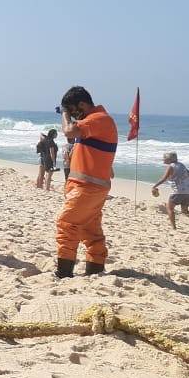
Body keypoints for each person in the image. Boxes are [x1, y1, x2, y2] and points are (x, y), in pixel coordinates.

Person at [56, 86, 117, 277]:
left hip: (87, 188)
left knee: (67, 223)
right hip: (90, 187)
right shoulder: (96, 122)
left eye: (73, 110)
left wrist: (64, 114)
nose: (74, 115)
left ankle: (64, 273)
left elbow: (69, 131)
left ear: (82, 104)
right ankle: (95, 270)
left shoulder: (99, 119)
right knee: (91, 231)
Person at [152, 152, 189, 230]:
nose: (163, 159)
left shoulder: (171, 166)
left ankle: (174, 228)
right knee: (185, 210)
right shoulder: (182, 165)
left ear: (169, 159)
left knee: (169, 208)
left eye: (164, 158)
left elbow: (164, 179)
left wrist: (154, 186)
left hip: (178, 191)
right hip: (188, 191)